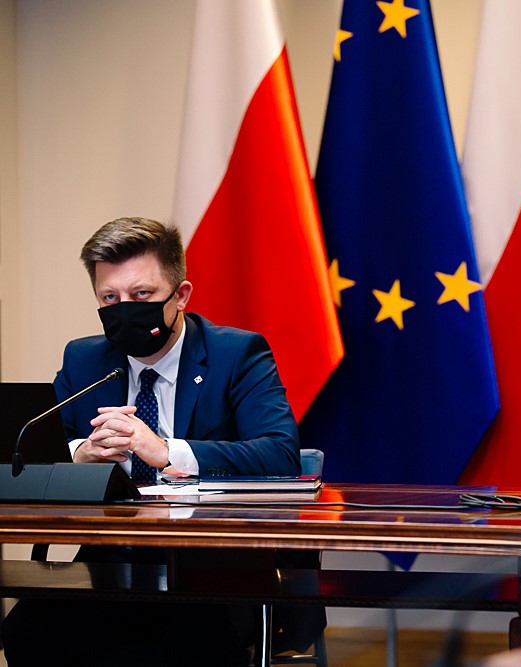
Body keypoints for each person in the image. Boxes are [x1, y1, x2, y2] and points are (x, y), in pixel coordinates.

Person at [0, 217, 310, 666]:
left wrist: (167, 451)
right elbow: (37, 449)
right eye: (110, 298)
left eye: (142, 295)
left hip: (214, 569)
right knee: (26, 633)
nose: (124, 309)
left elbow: (280, 454)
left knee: (165, 652)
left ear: (180, 295)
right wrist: (80, 455)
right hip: (109, 564)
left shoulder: (236, 354)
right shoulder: (85, 359)